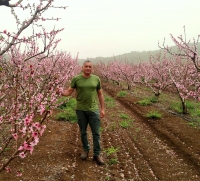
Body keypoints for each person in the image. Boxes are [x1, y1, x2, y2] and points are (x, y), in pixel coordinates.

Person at [58, 60, 105, 165]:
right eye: (86, 66)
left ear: (92, 68)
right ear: (82, 67)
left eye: (90, 66)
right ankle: (86, 150)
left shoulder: (96, 79)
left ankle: (97, 154)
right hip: (80, 110)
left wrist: (102, 108)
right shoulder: (76, 79)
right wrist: (60, 92)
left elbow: (100, 94)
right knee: (83, 131)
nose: (88, 68)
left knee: (96, 133)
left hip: (93, 110)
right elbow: (69, 92)